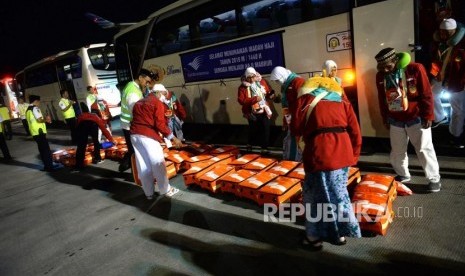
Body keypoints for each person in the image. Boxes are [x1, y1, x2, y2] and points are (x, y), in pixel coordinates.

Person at [292, 74, 362, 250]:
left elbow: (295, 127)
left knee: (316, 197)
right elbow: (355, 128)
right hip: (343, 151)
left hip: (321, 152)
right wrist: (353, 155)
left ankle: (313, 238)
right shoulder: (341, 99)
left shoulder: (305, 100)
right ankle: (340, 235)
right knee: (339, 194)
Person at [375, 47, 441, 192]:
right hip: (395, 119)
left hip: (416, 116)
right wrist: (385, 117)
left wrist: (428, 115)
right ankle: (403, 174)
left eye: (388, 66)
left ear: (396, 61)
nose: (385, 70)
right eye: (382, 67)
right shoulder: (380, 76)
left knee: (424, 149)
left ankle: (434, 178)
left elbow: (426, 93)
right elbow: (382, 98)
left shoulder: (415, 69)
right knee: (398, 150)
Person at [130, 84, 182, 199]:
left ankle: (149, 193)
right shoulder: (157, 103)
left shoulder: (139, 102)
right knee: (158, 163)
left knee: (143, 166)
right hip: (148, 136)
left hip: (134, 135)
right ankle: (166, 190)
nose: (164, 97)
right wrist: (173, 138)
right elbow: (160, 124)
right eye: (163, 94)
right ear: (158, 92)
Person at [430, 18, 465, 147]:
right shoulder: (439, 44)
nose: (443, 35)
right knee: (431, 95)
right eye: (441, 32)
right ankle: (440, 117)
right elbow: (435, 61)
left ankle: (455, 135)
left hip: (456, 81)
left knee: (458, 110)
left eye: (446, 32)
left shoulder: (461, 46)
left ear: (454, 31)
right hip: (441, 77)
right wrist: (435, 74)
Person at [119, 68, 156, 172]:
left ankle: (125, 165)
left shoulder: (131, 86)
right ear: (140, 78)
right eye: (146, 81)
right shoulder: (133, 91)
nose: (147, 84)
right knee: (135, 151)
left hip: (127, 124)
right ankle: (136, 174)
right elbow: (136, 111)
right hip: (130, 125)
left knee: (132, 149)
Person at [270, 66, 305, 161]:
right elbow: (285, 105)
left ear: (282, 75)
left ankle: (297, 162)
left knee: (298, 141)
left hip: (298, 119)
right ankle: (293, 162)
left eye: (277, 80)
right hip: (290, 118)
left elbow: (301, 104)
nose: (277, 82)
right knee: (292, 141)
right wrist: (285, 122)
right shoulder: (286, 85)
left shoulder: (298, 82)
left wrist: (296, 121)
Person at [237, 67, 275, 154]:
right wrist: (254, 99)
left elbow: (267, 93)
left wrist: (271, 95)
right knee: (253, 129)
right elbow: (241, 100)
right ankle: (250, 144)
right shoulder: (242, 87)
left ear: (255, 75)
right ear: (246, 77)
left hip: (264, 109)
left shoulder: (262, 82)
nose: (251, 79)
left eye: (252, 77)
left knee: (266, 128)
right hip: (251, 111)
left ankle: (264, 147)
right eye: (248, 77)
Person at [71, 103, 115, 172]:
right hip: (93, 126)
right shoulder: (96, 117)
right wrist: (111, 140)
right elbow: (104, 130)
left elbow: (77, 126)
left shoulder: (81, 116)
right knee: (96, 142)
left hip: (83, 127)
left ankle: (78, 166)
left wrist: (77, 137)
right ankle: (97, 159)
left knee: (81, 146)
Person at [26, 95, 61, 172]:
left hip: (35, 132)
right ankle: (50, 167)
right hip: (39, 132)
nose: (39, 103)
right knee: (46, 150)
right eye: (39, 102)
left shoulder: (28, 110)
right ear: (36, 101)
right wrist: (46, 120)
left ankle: (46, 166)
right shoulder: (35, 108)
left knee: (42, 150)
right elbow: (39, 120)